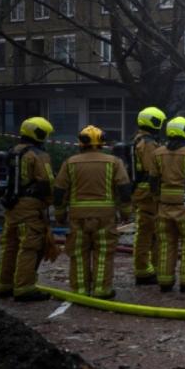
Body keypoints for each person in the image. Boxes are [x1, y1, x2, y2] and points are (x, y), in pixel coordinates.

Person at [53, 125, 132, 299]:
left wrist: (59, 215)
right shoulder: (114, 162)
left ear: (81, 143)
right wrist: (126, 213)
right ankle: (101, 290)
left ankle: (80, 291)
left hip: (77, 217)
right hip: (105, 217)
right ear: (102, 143)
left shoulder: (70, 163)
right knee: (103, 252)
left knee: (79, 253)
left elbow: (59, 191)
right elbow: (124, 189)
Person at [0, 117, 56, 302]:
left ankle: (5, 286)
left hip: (11, 207)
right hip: (30, 207)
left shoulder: (12, 151)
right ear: (39, 133)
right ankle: (24, 288)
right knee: (30, 247)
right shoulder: (38, 154)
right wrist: (51, 201)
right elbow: (47, 181)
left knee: (10, 246)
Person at [152, 116, 185, 293]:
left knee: (166, 243)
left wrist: (157, 200)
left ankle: (165, 281)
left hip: (164, 205)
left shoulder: (157, 153)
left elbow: (153, 180)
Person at [131, 106, 166, 285]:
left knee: (152, 231)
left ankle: (152, 267)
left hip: (146, 193)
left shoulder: (142, 140)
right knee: (146, 232)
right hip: (147, 194)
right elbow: (152, 168)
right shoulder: (147, 143)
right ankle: (143, 269)